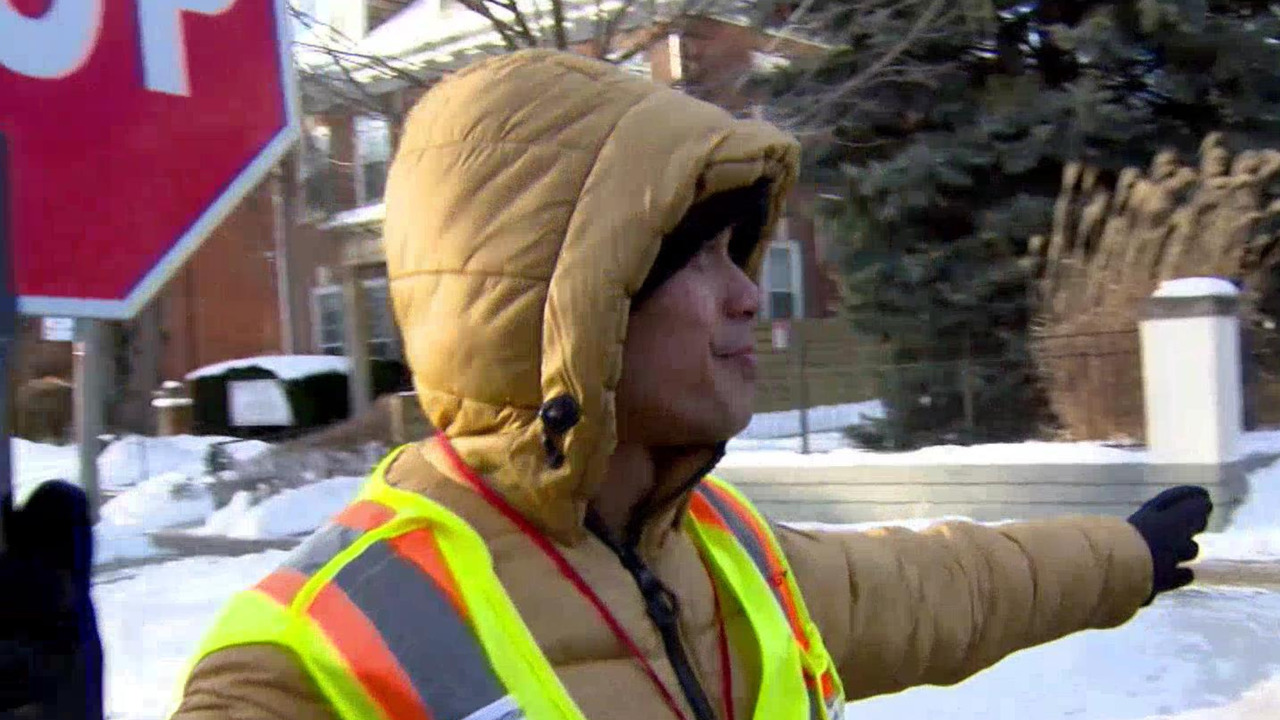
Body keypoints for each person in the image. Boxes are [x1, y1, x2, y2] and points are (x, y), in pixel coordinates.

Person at [0, 49, 1211, 720]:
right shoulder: (315, 649)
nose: (746, 295)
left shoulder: (720, 551)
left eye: (743, 253)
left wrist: (1123, 554)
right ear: (558, 301)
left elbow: (936, 584)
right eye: (692, 255)